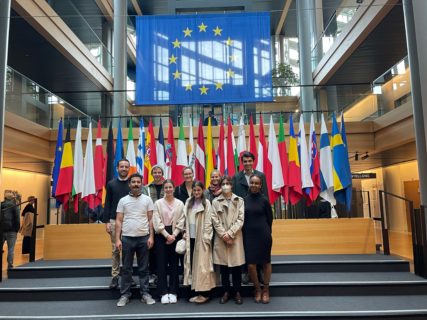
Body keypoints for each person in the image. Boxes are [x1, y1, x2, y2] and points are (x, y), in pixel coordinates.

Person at [115, 173, 156, 307]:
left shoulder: (147, 200)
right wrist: (117, 239)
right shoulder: (123, 200)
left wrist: (151, 236)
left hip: (144, 238)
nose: (136, 184)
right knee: (126, 268)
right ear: (129, 184)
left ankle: (145, 293)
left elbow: (151, 219)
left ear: (141, 184)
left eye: (138, 182)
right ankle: (125, 294)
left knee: (144, 268)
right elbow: (119, 221)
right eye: (133, 182)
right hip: (127, 238)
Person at [211, 176, 245, 305]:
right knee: (224, 267)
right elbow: (214, 219)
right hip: (221, 238)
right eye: (223, 184)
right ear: (220, 186)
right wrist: (224, 235)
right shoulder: (215, 202)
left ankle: (237, 292)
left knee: (236, 268)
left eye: (228, 183)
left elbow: (240, 219)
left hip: (235, 237)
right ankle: (226, 292)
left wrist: (230, 234)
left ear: (232, 185)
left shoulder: (239, 200)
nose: (225, 186)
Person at [181, 181, 215, 304]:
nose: (196, 192)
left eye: (198, 190)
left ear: (203, 190)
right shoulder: (188, 202)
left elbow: (208, 222)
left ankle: (205, 294)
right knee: (192, 265)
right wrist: (184, 231)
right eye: (194, 190)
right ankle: (195, 292)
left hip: (201, 238)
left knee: (202, 266)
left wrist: (206, 238)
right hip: (190, 238)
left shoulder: (207, 203)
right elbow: (184, 219)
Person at [153, 179, 185, 304]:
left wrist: (174, 235)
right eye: (166, 187)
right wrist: (167, 236)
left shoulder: (180, 203)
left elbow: (182, 220)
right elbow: (156, 221)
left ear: (174, 188)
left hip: (175, 234)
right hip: (162, 235)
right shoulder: (158, 203)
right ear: (164, 189)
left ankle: (173, 291)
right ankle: (162, 292)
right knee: (161, 264)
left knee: (174, 265)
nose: (168, 189)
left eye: (170, 187)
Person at [243, 174, 273, 304]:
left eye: (257, 183)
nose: (254, 185)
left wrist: (267, 233)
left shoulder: (265, 200)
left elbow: (270, 219)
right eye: (252, 183)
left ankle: (266, 289)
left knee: (266, 262)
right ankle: (257, 289)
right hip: (249, 236)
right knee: (251, 265)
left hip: (263, 235)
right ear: (249, 184)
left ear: (260, 185)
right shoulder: (244, 200)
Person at [103, 159, 131, 289]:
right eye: (122, 167)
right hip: (114, 221)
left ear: (129, 168)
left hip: (130, 221)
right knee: (115, 250)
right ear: (117, 168)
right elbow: (107, 203)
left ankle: (127, 277)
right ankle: (115, 277)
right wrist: (107, 222)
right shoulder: (111, 184)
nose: (124, 169)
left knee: (128, 250)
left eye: (126, 167)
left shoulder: (133, 183)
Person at [145, 164, 165, 285]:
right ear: (152, 174)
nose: (157, 174)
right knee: (151, 250)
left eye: (159, 172)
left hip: (165, 222)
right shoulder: (146, 188)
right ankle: (152, 274)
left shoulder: (168, 186)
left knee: (163, 250)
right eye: (155, 172)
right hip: (151, 222)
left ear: (162, 174)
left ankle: (162, 274)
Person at [1, 190, 20, 269]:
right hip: (12, 231)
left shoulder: (1, 205)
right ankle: (10, 265)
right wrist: (16, 230)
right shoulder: (14, 206)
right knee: (11, 249)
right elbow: (17, 219)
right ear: (12, 198)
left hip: (1, 230)